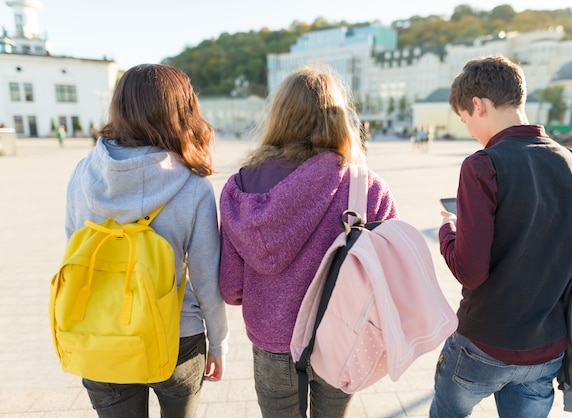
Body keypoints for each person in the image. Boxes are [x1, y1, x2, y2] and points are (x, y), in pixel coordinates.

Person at [219, 64, 398, 418]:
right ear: (339, 118)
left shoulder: (240, 187)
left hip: (272, 341)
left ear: (279, 117)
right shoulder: (367, 187)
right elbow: (390, 276)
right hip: (344, 337)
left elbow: (231, 288)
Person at [430, 55, 572, 418]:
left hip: (484, 343)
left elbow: (470, 270)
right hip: (548, 346)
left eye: (465, 120)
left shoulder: (482, 165)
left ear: (478, 105)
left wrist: (448, 230)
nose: (470, 131)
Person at [63, 64, 228, 418]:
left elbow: (73, 249)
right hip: (176, 337)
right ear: (183, 112)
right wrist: (218, 342)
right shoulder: (193, 185)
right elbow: (205, 279)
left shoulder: (82, 173)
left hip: (101, 333)